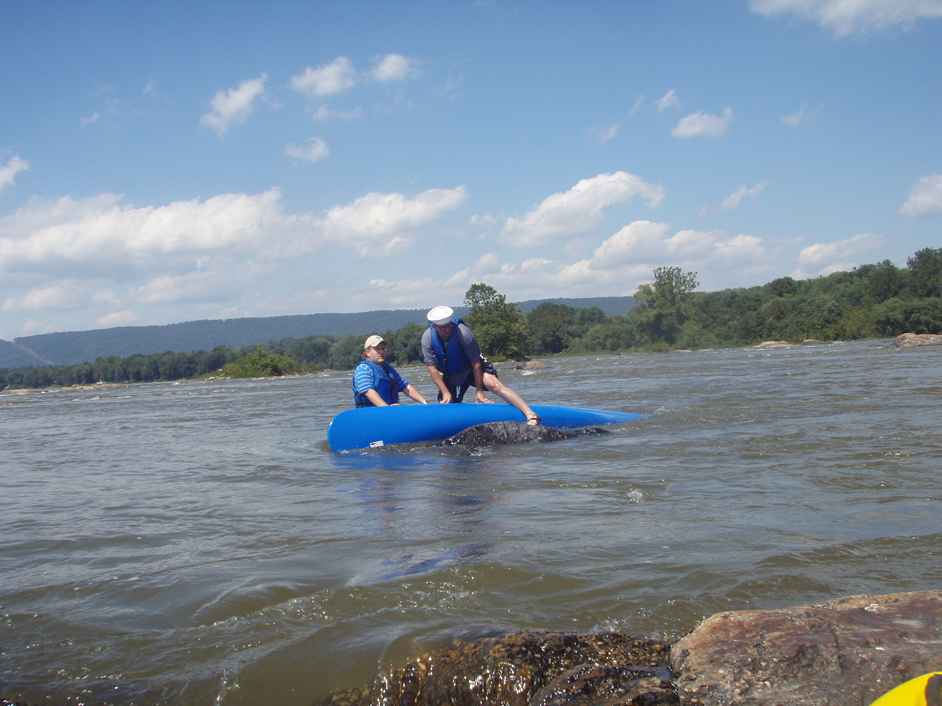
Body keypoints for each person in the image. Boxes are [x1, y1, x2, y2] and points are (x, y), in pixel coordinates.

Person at [421, 305, 540, 425]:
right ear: (435, 326)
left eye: (448, 326)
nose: (446, 330)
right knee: (446, 401)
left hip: (473, 368)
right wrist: (445, 391)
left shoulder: (463, 333)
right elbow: (432, 369)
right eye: (441, 328)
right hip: (451, 373)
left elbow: (476, 363)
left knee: (493, 384)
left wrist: (479, 391)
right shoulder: (427, 338)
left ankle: (530, 414)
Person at [353, 335, 428, 407]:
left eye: (383, 349)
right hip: (370, 413)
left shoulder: (389, 369)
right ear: (367, 352)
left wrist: (424, 402)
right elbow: (368, 391)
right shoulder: (363, 369)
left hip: (389, 411)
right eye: (377, 349)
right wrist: (386, 409)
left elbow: (405, 386)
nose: (381, 352)